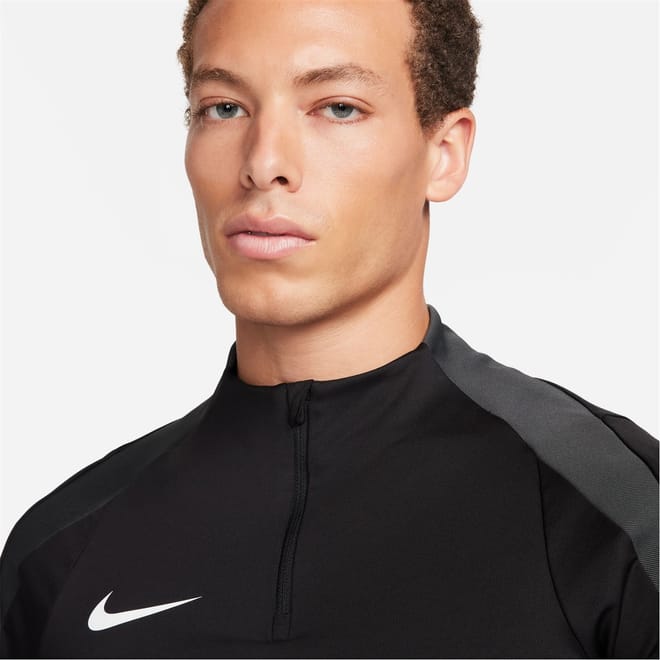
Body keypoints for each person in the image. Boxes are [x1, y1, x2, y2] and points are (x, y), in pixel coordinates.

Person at [1, 0, 657, 657]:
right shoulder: (57, 557)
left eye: (338, 107)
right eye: (224, 108)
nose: (264, 163)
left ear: (444, 153)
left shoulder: (613, 517)